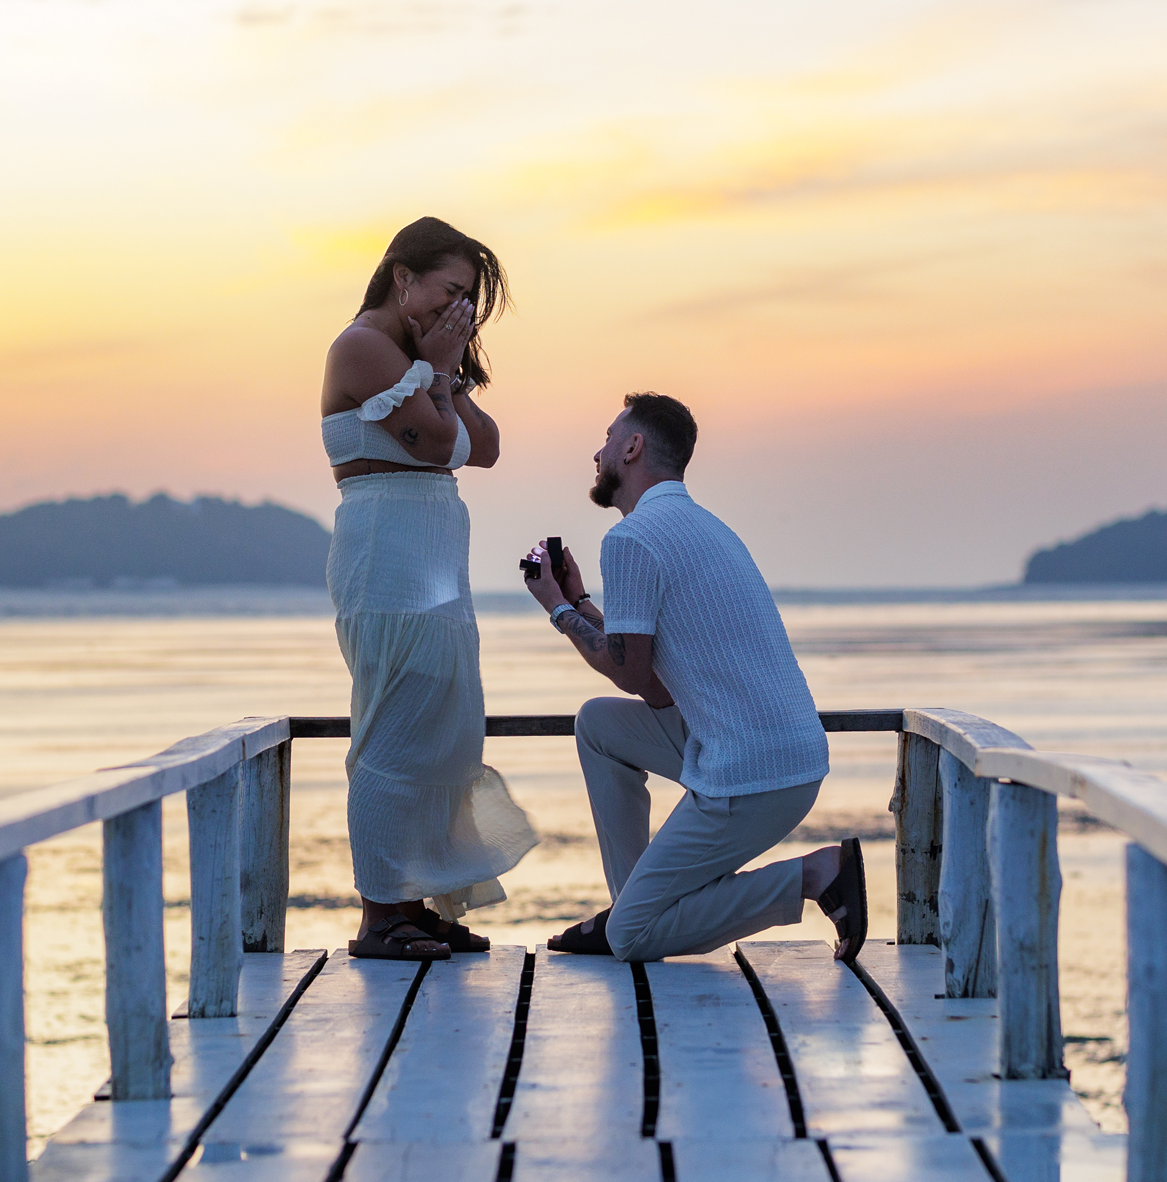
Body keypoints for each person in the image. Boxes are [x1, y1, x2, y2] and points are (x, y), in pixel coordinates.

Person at [522, 392, 866, 963]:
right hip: (777, 752)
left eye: (608, 437)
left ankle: (816, 875)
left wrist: (557, 608)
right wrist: (579, 598)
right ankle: (632, 901)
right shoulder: (703, 527)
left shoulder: (632, 539)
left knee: (632, 940)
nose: (597, 451)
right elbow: (654, 687)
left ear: (632, 448)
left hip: (752, 774)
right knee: (598, 725)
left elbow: (629, 673)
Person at [321, 217, 537, 960]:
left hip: (436, 549)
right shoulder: (362, 347)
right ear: (401, 275)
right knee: (394, 727)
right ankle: (381, 912)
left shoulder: (420, 357)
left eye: (469, 299)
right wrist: (440, 373)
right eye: (450, 290)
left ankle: (417, 895)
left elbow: (491, 447)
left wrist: (445, 368)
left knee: (444, 727)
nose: (460, 311)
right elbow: (444, 442)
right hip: (386, 547)